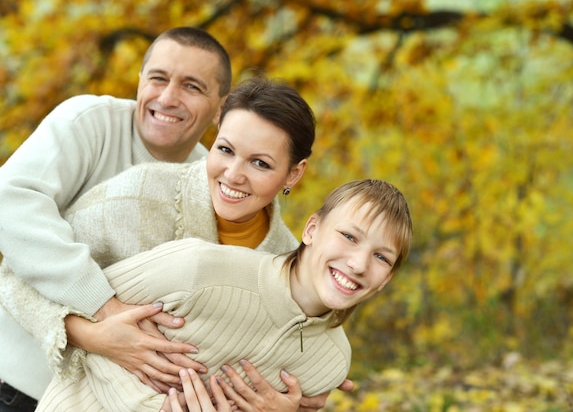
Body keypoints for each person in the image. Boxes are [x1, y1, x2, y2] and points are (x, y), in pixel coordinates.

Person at [0, 77, 350, 412]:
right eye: (225, 149)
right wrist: (91, 334)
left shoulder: (286, 263)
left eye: (260, 163)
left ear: (293, 173)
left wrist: (294, 399)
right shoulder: (137, 196)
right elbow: (14, 278)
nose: (233, 174)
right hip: (36, 395)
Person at [0, 26, 232, 412]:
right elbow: (10, 201)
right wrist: (103, 306)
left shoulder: (216, 181)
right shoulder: (91, 122)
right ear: (140, 81)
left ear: (220, 109)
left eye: (192, 87)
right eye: (158, 78)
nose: (168, 97)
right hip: (12, 385)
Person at [32, 179, 413, 412]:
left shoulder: (330, 362)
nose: (360, 263)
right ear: (312, 229)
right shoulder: (198, 268)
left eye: (381, 257)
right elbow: (80, 315)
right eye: (349, 236)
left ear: (386, 279)